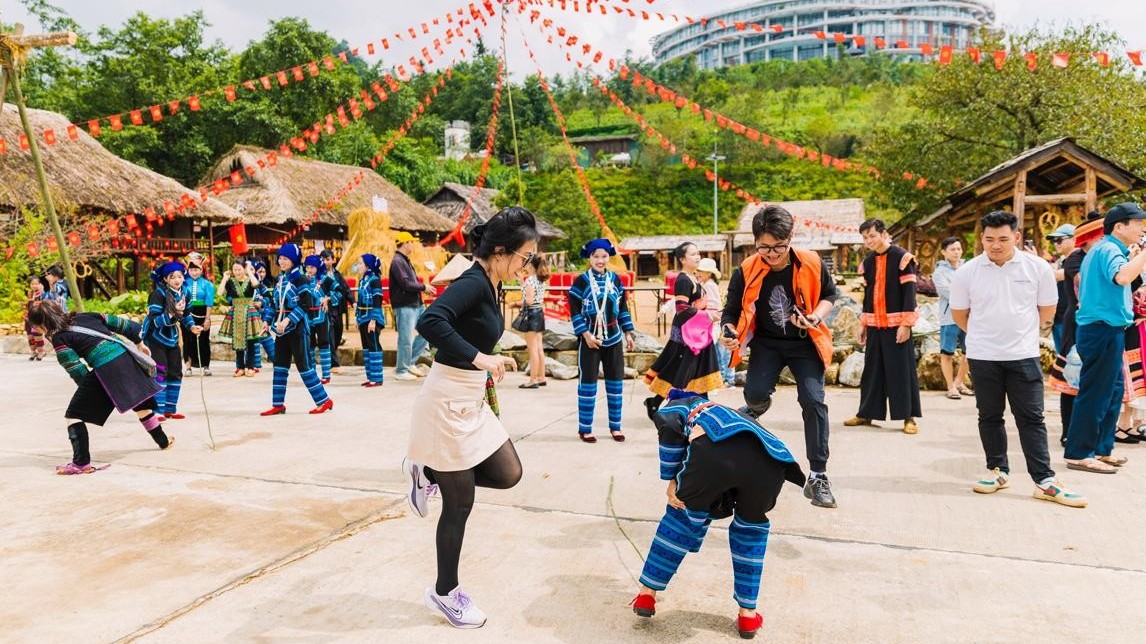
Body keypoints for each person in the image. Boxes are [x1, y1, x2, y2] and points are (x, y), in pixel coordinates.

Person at [402, 206, 536, 628]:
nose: (526, 266)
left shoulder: (493, 282)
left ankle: (426, 471)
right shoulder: (474, 281)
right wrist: (480, 358)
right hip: (445, 402)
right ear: (500, 251)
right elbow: (430, 321)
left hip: (470, 400)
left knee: (508, 472)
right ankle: (445, 594)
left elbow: (474, 329)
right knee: (460, 503)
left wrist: (491, 356)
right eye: (524, 257)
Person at [630, 390, 806, 640]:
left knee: (681, 517)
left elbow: (669, 427)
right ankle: (747, 614)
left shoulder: (676, 407)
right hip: (772, 463)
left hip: (717, 456)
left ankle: (647, 594)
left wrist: (671, 480)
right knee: (751, 530)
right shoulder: (721, 410)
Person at [949, 211, 1086, 508]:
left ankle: (1044, 479)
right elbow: (960, 315)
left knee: (1031, 418)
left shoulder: (1037, 268)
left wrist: (1019, 334)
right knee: (989, 415)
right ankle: (997, 471)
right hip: (983, 356)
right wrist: (986, 334)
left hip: (1023, 355)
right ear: (981, 238)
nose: (995, 245)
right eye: (989, 239)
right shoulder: (967, 272)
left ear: (1016, 237)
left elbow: (1047, 310)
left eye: (1002, 239)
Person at [721, 205, 839, 508]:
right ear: (755, 242)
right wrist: (728, 330)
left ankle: (818, 475)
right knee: (754, 394)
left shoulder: (811, 262)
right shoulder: (746, 269)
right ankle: (758, 405)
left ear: (791, 238)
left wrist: (814, 316)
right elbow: (731, 310)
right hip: (767, 343)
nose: (771, 254)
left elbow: (829, 294)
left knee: (813, 401)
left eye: (779, 247)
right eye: (764, 247)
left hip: (804, 342)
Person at [27, 299, 175, 474]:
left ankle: (81, 463)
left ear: (42, 324)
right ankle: (163, 441)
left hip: (106, 367)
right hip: (127, 359)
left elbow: (76, 369)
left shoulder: (59, 338)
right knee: (140, 405)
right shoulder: (88, 316)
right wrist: (140, 345)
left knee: (74, 415)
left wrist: (90, 394)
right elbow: (125, 325)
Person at [1065, 203, 1146, 473]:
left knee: (1112, 393)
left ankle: (1101, 449)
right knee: (1096, 393)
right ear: (1119, 226)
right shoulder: (1109, 249)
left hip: (1107, 330)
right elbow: (1123, 277)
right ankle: (1079, 453)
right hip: (1100, 330)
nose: (1141, 228)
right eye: (1137, 223)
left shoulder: (1108, 248)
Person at [844, 219, 922, 434]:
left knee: (901, 370)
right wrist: (863, 323)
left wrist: (907, 324)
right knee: (872, 370)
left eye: (872, 235)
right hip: (875, 325)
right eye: (865, 237)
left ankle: (909, 417)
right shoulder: (867, 263)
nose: (868, 240)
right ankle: (866, 413)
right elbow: (867, 297)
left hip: (898, 325)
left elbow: (909, 294)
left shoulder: (903, 258)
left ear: (883, 234)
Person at [567, 238, 636, 442]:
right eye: (596, 256)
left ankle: (615, 427)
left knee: (615, 385)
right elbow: (575, 311)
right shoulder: (581, 281)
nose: (600, 260)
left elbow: (622, 308)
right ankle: (585, 428)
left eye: (604, 256)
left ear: (609, 257)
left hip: (613, 338)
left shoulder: (615, 279)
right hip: (589, 339)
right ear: (589, 258)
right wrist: (585, 335)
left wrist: (628, 333)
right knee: (587, 385)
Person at [643, 242, 722, 417]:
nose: (697, 256)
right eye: (693, 254)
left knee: (696, 370)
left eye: (698, 253)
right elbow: (681, 308)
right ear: (682, 259)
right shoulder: (684, 280)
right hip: (688, 336)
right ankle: (666, 405)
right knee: (683, 371)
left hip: (698, 334)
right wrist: (707, 315)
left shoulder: (694, 278)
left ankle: (698, 406)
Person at [1049, 213, 1104, 446]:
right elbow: (1089, 285)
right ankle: (1068, 430)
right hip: (1075, 326)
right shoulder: (1075, 259)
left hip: (1096, 325)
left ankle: (1089, 431)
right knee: (1071, 379)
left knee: (1092, 381)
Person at [259, 244, 333, 416]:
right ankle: (278, 404)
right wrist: (266, 321)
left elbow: (305, 305)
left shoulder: (301, 280)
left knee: (304, 366)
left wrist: (287, 320)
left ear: (293, 260)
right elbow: (273, 304)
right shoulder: (280, 280)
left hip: (298, 329)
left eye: (286, 258)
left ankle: (324, 400)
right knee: (280, 365)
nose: (282, 261)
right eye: (281, 258)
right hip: (281, 330)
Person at [141, 262, 203, 420]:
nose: (177, 280)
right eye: (172, 277)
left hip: (172, 336)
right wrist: (171, 313)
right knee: (160, 371)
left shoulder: (185, 292)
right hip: (155, 337)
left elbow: (186, 314)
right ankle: (157, 411)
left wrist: (191, 327)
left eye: (180, 276)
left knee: (176, 371)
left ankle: (170, 409)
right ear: (165, 279)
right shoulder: (158, 294)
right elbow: (154, 320)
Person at [391, 231, 436, 381]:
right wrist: (423, 287)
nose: (413, 245)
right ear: (405, 243)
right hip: (405, 305)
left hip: (415, 304)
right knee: (406, 338)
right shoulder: (397, 261)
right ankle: (401, 370)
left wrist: (422, 290)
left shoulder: (404, 260)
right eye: (411, 242)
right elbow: (405, 283)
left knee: (427, 330)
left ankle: (410, 362)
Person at [932, 237, 973, 400]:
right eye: (952, 249)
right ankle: (950, 386)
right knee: (946, 352)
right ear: (943, 252)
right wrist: (970, 296)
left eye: (958, 248)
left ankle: (959, 382)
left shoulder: (968, 268)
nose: (956, 252)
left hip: (970, 317)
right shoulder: (939, 272)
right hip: (949, 317)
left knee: (969, 351)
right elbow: (947, 293)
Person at [218, 259, 265, 377]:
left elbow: (256, 284)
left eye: (239, 269)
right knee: (237, 340)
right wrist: (224, 278)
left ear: (244, 268)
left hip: (249, 311)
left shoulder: (250, 280)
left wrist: (249, 272)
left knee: (250, 341)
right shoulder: (231, 282)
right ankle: (240, 367)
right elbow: (219, 293)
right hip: (236, 311)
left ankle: (250, 367)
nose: (237, 272)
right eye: (235, 269)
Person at [697, 257, 735, 388]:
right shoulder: (709, 284)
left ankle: (725, 379)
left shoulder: (709, 285)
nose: (699, 273)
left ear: (709, 273)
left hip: (714, 323)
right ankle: (726, 379)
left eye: (701, 271)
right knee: (722, 351)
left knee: (721, 351)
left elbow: (714, 305)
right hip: (716, 321)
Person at [516, 254, 549, 389]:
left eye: (527, 264)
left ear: (531, 266)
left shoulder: (530, 280)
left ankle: (533, 380)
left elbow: (529, 301)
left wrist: (516, 303)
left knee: (532, 349)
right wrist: (521, 281)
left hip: (531, 315)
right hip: (539, 313)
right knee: (539, 348)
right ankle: (541, 377)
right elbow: (533, 295)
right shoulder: (539, 279)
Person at [355, 253, 386, 388]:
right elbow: (359, 300)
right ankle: (370, 377)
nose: (358, 266)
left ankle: (377, 378)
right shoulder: (362, 280)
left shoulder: (375, 280)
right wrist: (357, 318)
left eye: (360, 263)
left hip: (372, 318)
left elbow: (378, 300)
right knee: (366, 347)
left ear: (368, 266)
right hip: (363, 318)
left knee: (373, 345)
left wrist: (373, 319)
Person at [1046, 224, 1077, 355]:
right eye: (1054, 241)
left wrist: (1035, 262)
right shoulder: (1062, 261)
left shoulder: (1079, 259)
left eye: (1060, 240)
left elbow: (1056, 275)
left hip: (1072, 321)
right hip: (1059, 319)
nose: (1056, 244)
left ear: (1074, 239)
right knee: (1062, 362)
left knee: (1073, 363)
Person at [302, 255, 333, 384]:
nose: (309, 270)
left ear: (318, 267)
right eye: (307, 267)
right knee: (309, 344)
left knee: (324, 343)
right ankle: (312, 374)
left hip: (321, 315)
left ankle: (326, 374)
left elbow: (338, 291)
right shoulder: (303, 280)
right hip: (307, 315)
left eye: (312, 267)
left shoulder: (325, 279)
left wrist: (327, 298)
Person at [320, 250, 352, 373]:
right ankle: (334, 363)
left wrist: (352, 301)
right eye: (323, 260)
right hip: (327, 309)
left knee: (338, 333)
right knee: (330, 335)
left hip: (338, 308)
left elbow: (346, 289)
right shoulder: (320, 276)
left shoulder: (338, 275)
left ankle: (331, 355)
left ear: (333, 260)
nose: (326, 262)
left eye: (328, 259)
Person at [182, 257, 215, 376]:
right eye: (191, 270)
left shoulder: (208, 284)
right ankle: (188, 367)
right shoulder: (183, 283)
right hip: (187, 313)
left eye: (196, 270)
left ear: (201, 270)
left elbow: (209, 302)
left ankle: (206, 366)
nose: (194, 272)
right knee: (187, 340)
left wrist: (207, 319)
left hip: (202, 313)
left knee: (204, 340)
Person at [250, 261, 277, 372]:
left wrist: (261, 302)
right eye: (258, 271)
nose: (261, 274)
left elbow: (268, 298)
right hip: (248, 317)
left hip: (261, 316)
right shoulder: (244, 284)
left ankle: (278, 360)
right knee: (253, 340)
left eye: (263, 271)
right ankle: (254, 364)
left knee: (265, 337)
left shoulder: (261, 285)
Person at [25, 275, 50, 361]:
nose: (34, 285)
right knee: (30, 336)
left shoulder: (42, 294)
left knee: (37, 335)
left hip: (37, 317)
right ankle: (33, 351)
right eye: (32, 284)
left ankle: (41, 352)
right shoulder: (29, 293)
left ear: (40, 284)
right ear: (30, 285)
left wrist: (41, 290)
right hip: (28, 317)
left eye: (36, 283)